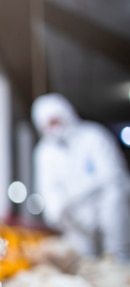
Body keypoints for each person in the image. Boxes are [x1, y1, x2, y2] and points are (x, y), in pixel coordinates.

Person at [31, 93, 130, 262]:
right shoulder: (44, 152)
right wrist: (59, 214)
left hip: (108, 207)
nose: (53, 128)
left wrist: (107, 216)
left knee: (117, 255)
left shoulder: (93, 136)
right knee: (84, 261)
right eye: (48, 124)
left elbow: (113, 178)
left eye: (55, 121)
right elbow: (48, 189)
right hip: (75, 219)